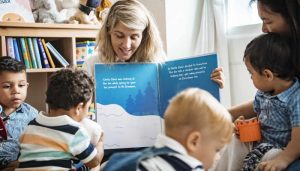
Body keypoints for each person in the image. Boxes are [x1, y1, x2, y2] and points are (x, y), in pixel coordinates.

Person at [82, 0, 225, 88]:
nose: (126, 45)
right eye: (119, 35)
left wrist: (209, 83)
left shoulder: (157, 60)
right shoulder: (92, 63)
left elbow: (179, 93)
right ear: (108, 32)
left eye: (134, 37)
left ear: (144, 36)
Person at [212, 33, 300, 171]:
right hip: (260, 142)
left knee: (273, 156)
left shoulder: (295, 98)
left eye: (251, 74)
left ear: (268, 75)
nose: (251, 78)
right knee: (235, 140)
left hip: (280, 149)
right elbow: (260, 119)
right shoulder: (262, 93)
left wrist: (283, 159)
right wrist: (245, 126)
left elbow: (298, 139)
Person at [102, 88, 233, 171]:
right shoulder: (188, 167)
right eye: (217, 150)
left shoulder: (120, 160)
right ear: (194, 141)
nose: (217, 157)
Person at [17, 68, 104, 170]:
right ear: (79, 108)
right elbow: (94, 161)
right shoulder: (75, 131)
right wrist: (100, 142)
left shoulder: (31, 126)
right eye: (88, 107)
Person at [0, 56, 38, 170]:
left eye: (21, 85)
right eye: (7, 86)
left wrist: (23, 163)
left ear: (27, 86)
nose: (16, 90)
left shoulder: (32, 115)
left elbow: (37, 147)